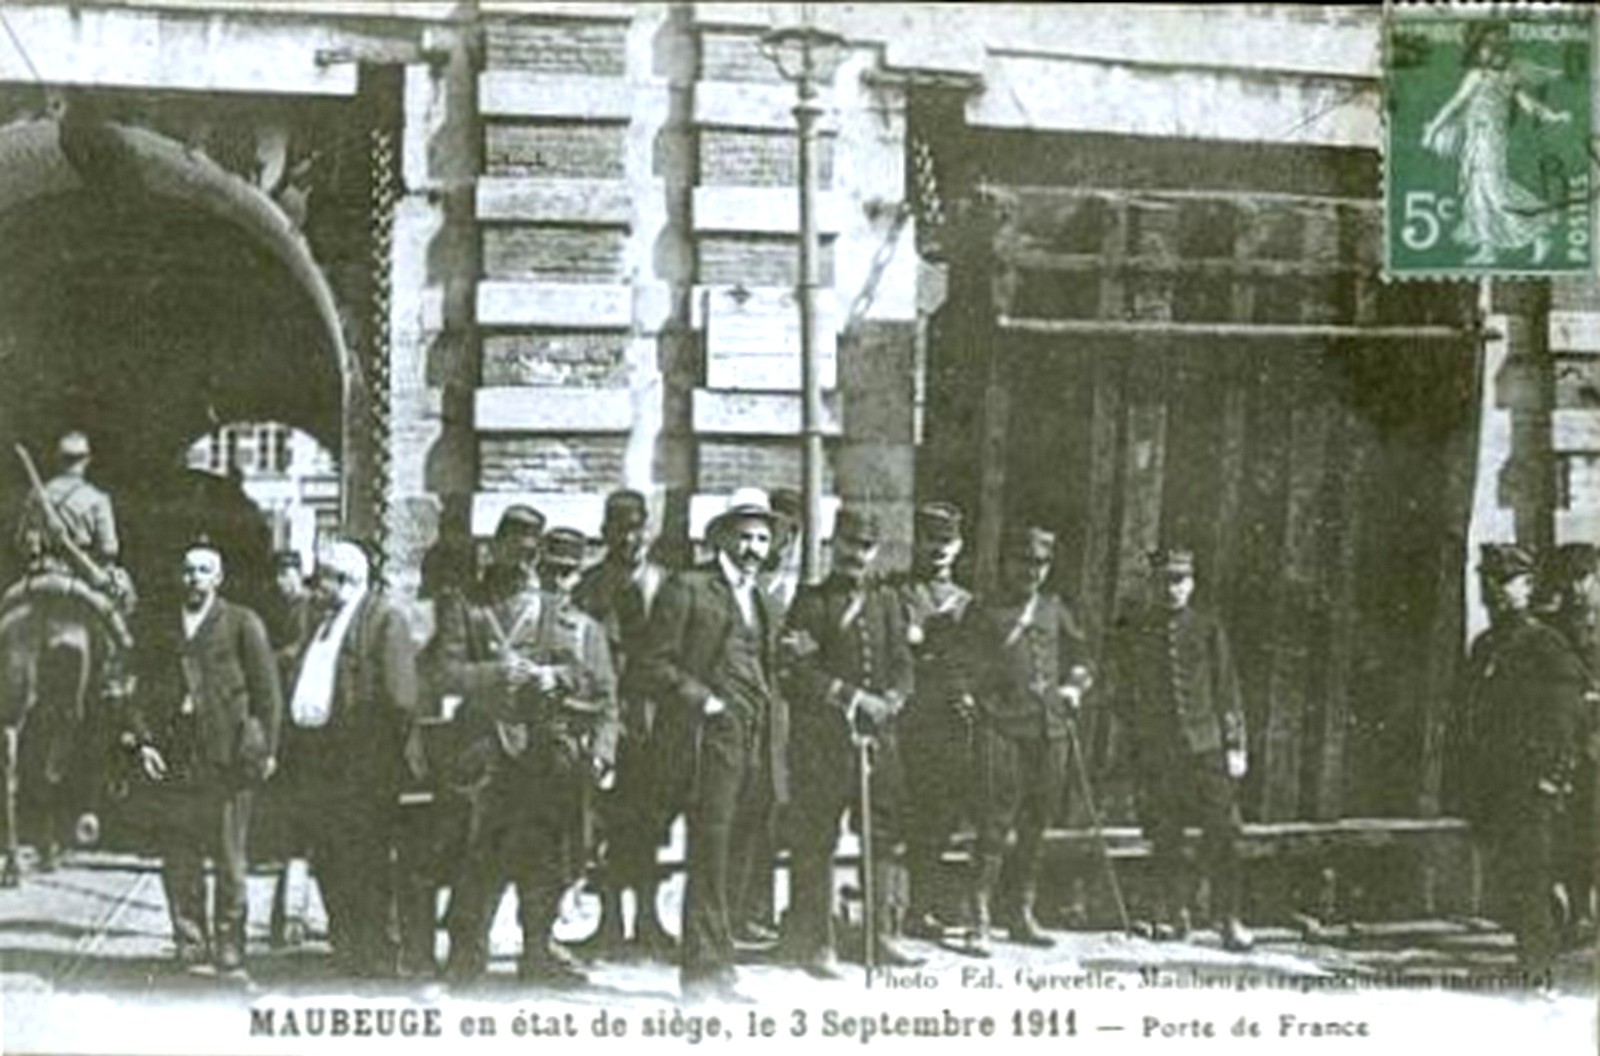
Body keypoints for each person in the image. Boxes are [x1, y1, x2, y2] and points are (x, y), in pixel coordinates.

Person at [434, 511, 618, 986]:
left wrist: (554, 678)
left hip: (542, 752)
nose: (522, 559)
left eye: (530, 550)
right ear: (494, 547)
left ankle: (537, 951)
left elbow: (592, 680)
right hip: (484, 748)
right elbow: (443, 672)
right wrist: (496, 675)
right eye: (512, 546)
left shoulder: (560, 612)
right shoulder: (466, 605)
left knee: (542, 858)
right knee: (478, 858)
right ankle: (465, 958)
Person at [637, 488, 790, 1002]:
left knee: (742, 854)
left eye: (761, 538)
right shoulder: (689, 587)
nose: (752, 547)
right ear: (722, 536)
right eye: (743, 536)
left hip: (757, 743)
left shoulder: (762, 598)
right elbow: (652, 663)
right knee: (710, 853)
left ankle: (722, 964)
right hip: (708, 744)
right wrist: (703, 700)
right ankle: (699, 974)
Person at [123, 541, 281, 976]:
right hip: (178, 754)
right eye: (188, 570)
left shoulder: (241, 623)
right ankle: (190, 940)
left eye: (203, 570)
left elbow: (268, 694)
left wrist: (267, 749)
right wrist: (145, 743)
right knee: (180, 852)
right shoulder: (162, 628)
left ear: (219, 578)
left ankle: (231, 943)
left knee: (230, 856)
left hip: (228, 755)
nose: (194, 578)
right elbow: (141, 692)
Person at [780, 506, 918, 975]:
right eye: (849, 544)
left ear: (874, 551)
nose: (856, 554)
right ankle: (818, 941)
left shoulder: (888, 603)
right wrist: (853, 697)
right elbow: (796, 672)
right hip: (824, 743)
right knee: (817, 839)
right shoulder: (810, 603)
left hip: (879, 741)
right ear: (833, 544)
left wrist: (894, 699)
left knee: (881, 835)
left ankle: (878, 935)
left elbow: (903, 663)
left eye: (865, 546)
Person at [279, 539, 419, 978]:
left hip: (362, 763)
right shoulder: (322, 620)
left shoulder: (382, 620)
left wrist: (377, 757)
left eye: (324, 578)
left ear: (346, 580)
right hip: (320, 760)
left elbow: (401, 698)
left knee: (367, 858)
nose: (317, 586)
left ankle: (375, 950)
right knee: (330, 855)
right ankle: (348, 945)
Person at [1109, 548, 1251, 952]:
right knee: (1165, 833)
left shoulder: (1207, 627)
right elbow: (1123, 690)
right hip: (1160, 751)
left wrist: (1235, 744)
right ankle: (1174, 914)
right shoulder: (1137, 629)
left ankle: (1229, 918)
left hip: (1206, 747)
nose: (1172, 588)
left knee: (1224, 832)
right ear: (1153, 584)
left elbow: (1228, 690)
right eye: (1164, 581)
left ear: (1191, 584)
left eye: (1180, 580)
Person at [961, 525, 1093, 954]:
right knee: (993, 825)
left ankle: (1020, 912)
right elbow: (963, 668)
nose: (1031, 572)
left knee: (1036, 824)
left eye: (1039, 564)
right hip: (1001, 729)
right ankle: (977, 918)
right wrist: (977, 702)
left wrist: (1074, 687)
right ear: (1006, 564)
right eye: (1022, 562)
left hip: (1049, 731)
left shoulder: (1055, 609)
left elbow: (1082, 659)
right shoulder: (984, 611)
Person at [1461, 544, 1590, 975]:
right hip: (1495, 781)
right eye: (1487, 582)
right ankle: (1531, 955)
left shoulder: (1544, 644)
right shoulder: (1485, 646)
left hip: (1532, 783)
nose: (1494, 590)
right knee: (1510, 875)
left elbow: (1564, 718)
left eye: (1504, 582)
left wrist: (1552, 777)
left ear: (1527, 587)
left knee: (1531, 874)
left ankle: (1538, 972)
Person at [572, 490, 675, 961]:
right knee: (608, 821)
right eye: (620, 529)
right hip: (609, 719)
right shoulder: (590, 587)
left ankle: (650, 922)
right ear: (607, 532)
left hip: (656, 720)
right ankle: (610, 923)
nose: (630, 538)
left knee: (650, 822)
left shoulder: (668, 583)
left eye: (637, 528)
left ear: (647, 530)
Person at [1420, 20, 1571, 266]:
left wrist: (1552, 116)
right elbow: (1455, 104)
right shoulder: (1476, 76)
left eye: (1500, 46)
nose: (1495, 52)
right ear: (1478, 51)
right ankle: (1487, 248)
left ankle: (1539, 233)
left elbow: (1528, 103)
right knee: (1477, 192)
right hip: (1475, 140)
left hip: (1492, 139)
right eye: (1488, 47)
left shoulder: (1509, 76)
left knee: (1494, 189)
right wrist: (1433, 130)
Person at [895, 502, 976, 939]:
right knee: (902, 812)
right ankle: (897, 907)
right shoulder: (898, 594)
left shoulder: (968, 603)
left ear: (959, 547)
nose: (938, 550)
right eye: (931, 541)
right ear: (917, 543)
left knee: (940, 816)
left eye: (947, 543)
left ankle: (924, 906)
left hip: (949, 723)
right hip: (907, 718)